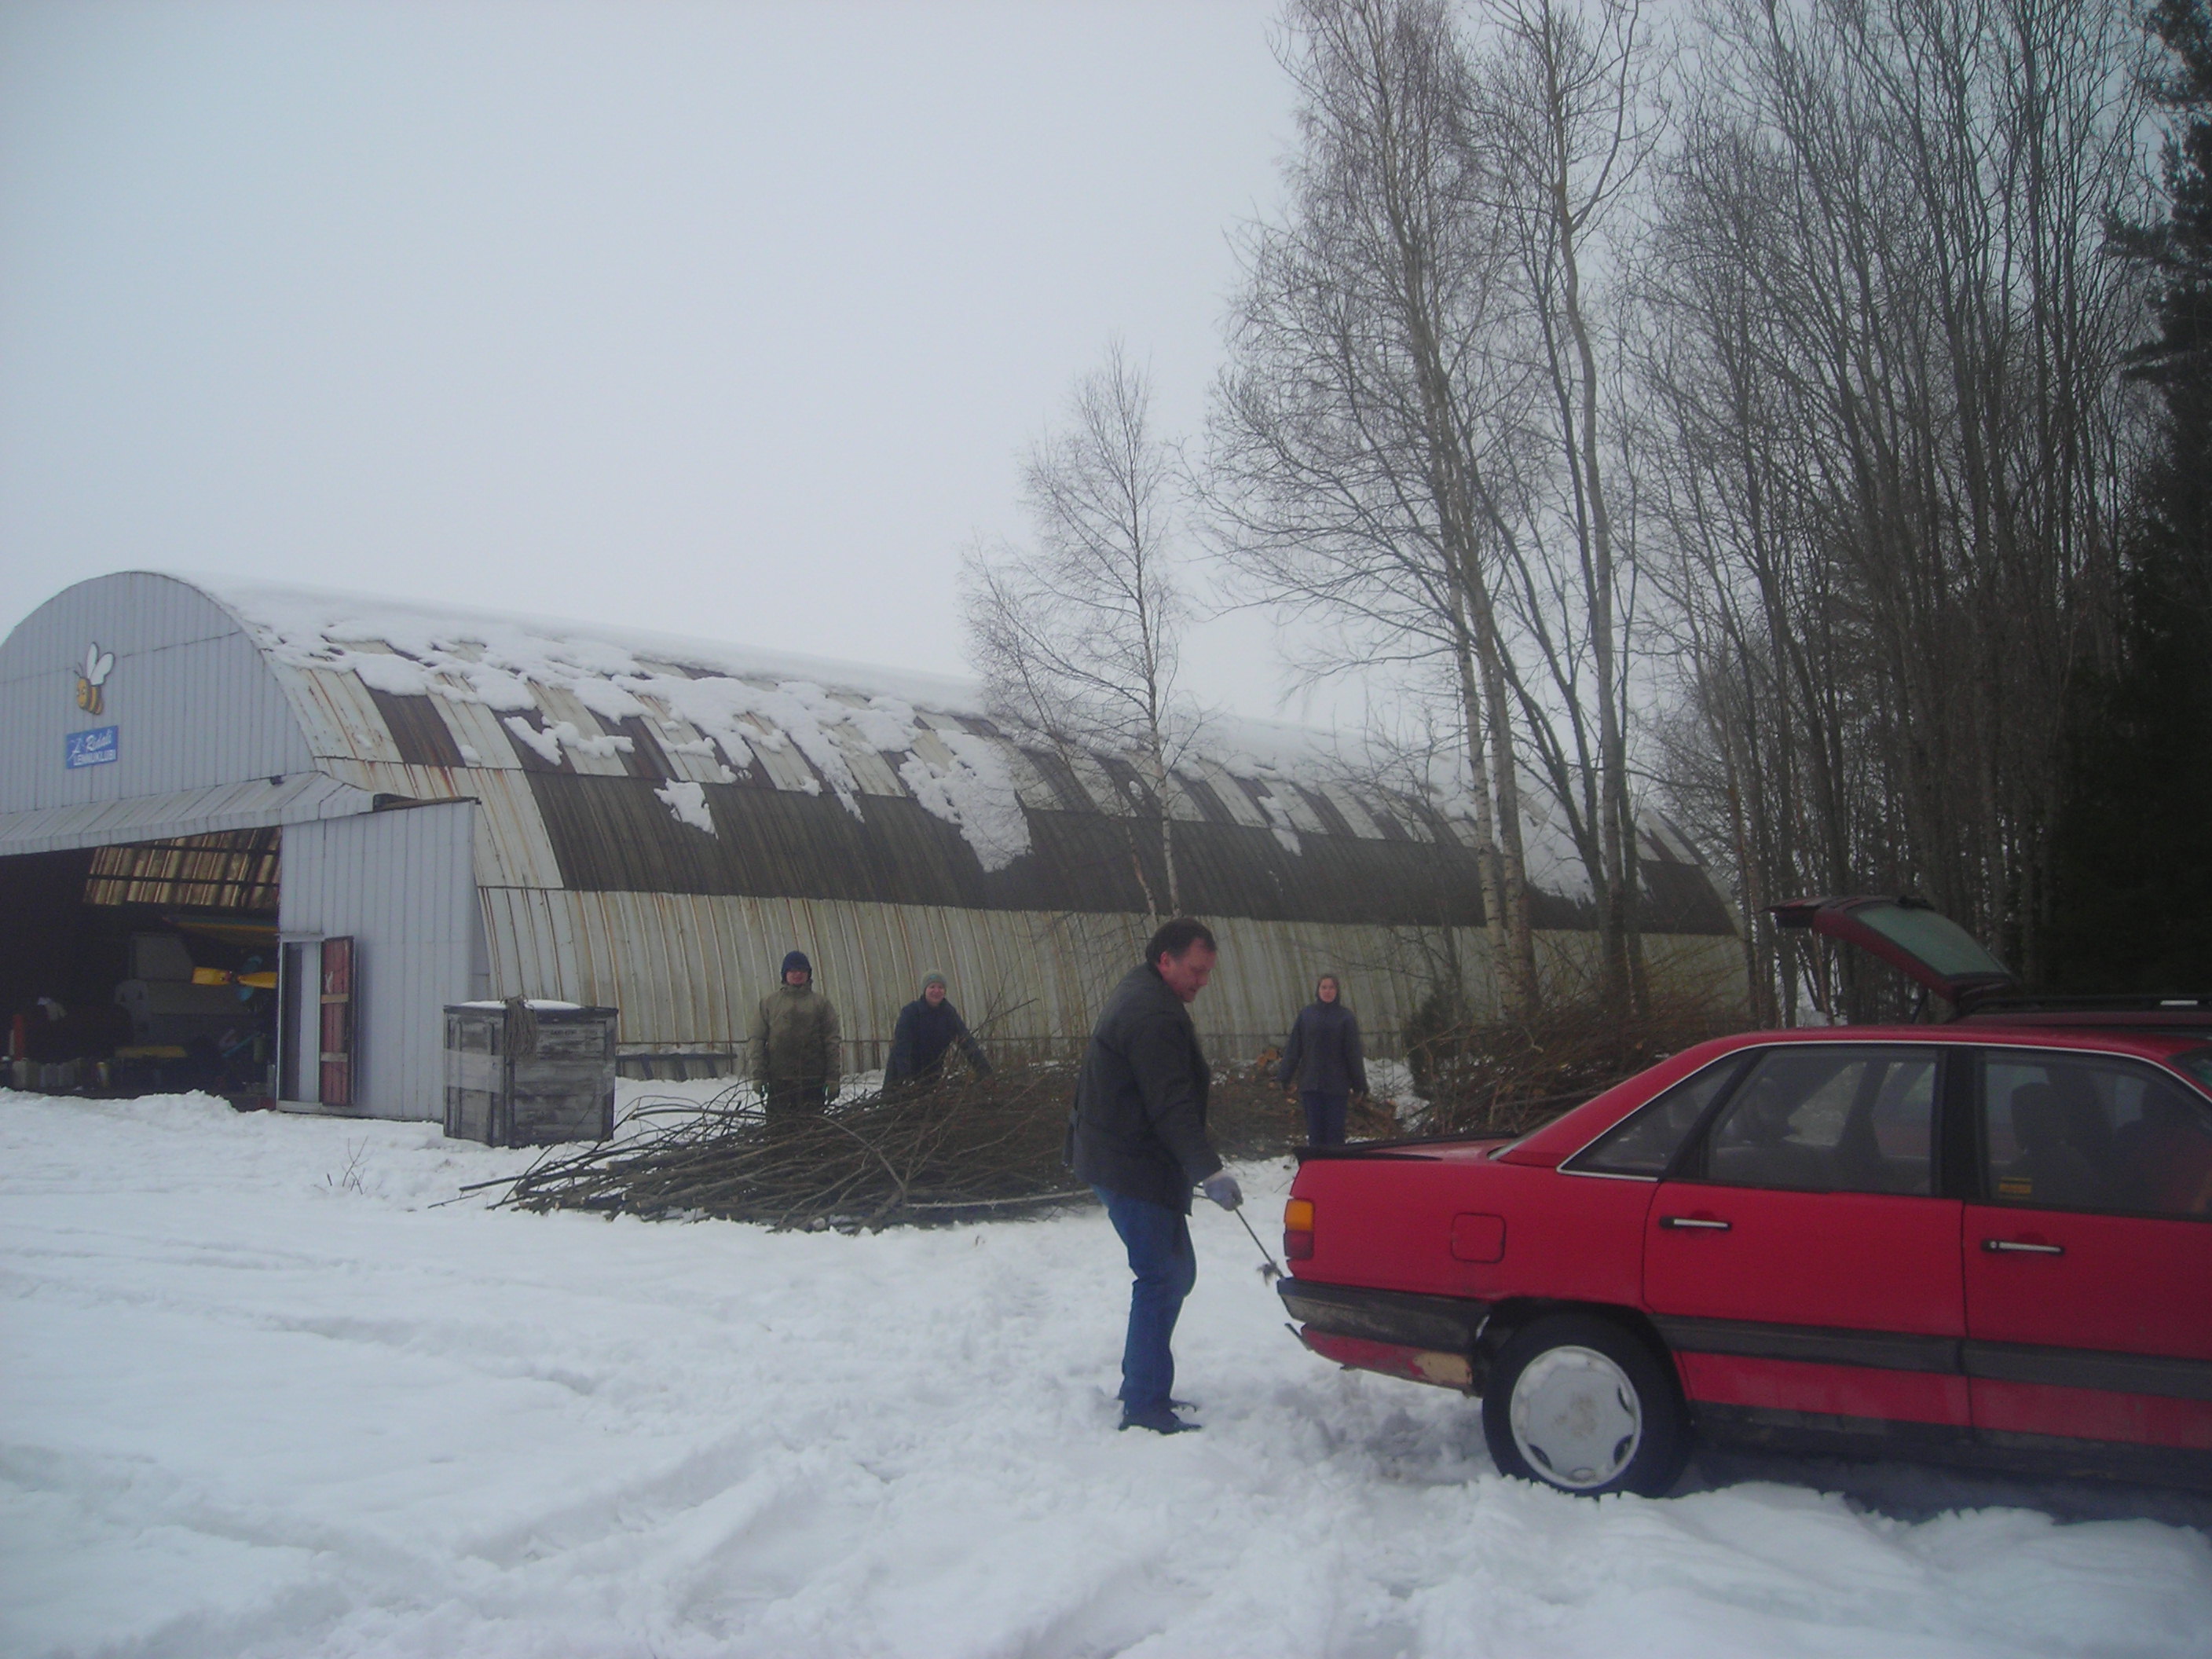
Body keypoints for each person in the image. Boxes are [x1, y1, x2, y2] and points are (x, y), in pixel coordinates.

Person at [1068, 917, 1241, 1435]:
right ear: (1165, 960)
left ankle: (1142, 1385)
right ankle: (1143, 1404)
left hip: (1132, 1157)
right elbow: (1171, 1106)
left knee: (1175, 1273)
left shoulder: (1150, 993)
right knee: (1162, 1276)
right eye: (1196, 971)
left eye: (1207, 972)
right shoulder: (1150, 1014)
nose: (1202, 982)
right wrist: (1208, 1170)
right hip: (1127, 1164)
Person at [749, 950, 841, 1122]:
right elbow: (757, 1040)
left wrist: (832, 1078)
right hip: (779, 1082)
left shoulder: (821, 1004)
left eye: (802, 970)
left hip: (812, 1082)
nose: (797, 974)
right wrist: (759, 1076)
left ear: (808, 974)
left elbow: (832, 1042)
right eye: (793, 970)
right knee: (778, 1130)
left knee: (812, 1129)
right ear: (785, 974)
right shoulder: (770, 1003)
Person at [1277, 972, 1367, 1148]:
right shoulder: (1307, 1015)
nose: (1327, 991)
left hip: (1337, 1087)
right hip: (1311, 1085)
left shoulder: (1346, 1018)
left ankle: (1335, 1165)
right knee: (1315, 1134)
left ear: (1337, 991)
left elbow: (1353, 1054)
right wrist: (1284, 1076)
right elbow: (1294, 1048)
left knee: (1335, 1134)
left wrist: (1359, 1085)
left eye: (1331, 988)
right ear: (1318, 990)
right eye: (1324, 987)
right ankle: (1317, 1164)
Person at [884, 972, 992, 1090]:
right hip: (901, 1074)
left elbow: (967, 1042)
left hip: (931, 1074)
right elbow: (902, 1046)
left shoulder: (948, 1014)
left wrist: (984, 1070)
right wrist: (905, 1077)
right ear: (925, 990)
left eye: (940, 987)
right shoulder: (911, 1012)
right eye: (932, 987)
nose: (936, 991)